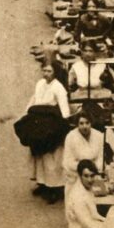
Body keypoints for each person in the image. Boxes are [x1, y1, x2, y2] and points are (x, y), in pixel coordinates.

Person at [26, 62, 70, 202]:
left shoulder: (59, 88)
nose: (46, 74)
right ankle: (42, 183)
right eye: (44, 70)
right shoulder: (40, 84)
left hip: (52, 125)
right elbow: (34, 100)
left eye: (49, 71)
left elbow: (64, 111)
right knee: (38, 156)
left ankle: (54, 188)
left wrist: (60, 128)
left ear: (55, 72)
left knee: (51, 158)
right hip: (38, 122)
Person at [65, 160, 112, 228]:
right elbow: (86, 224)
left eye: (92, 175)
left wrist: (107, 222)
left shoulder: (85, 187)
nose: (89, 180)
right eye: (86, 176)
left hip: (86, 227)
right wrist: (107, 227)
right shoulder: (77, 195)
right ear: (80, 176)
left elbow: (94, 214)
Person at [63, 112, 104, 188]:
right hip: (76, 173)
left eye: (87, 123)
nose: (84, 126)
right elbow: (68, 160)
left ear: (91, 123)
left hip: (95, 171)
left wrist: (95, 169)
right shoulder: (70, 137)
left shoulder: (99, 135)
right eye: (81, 123)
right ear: (77, 124)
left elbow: (101, 156)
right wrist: (83, 170)